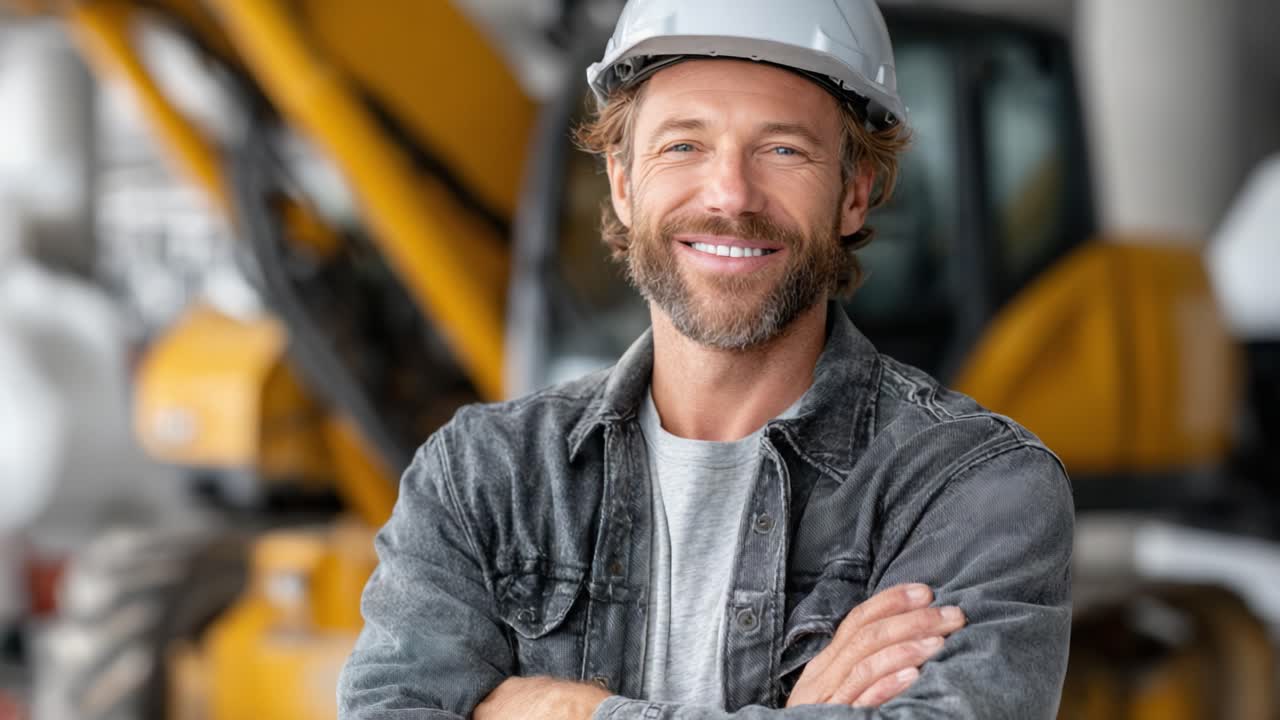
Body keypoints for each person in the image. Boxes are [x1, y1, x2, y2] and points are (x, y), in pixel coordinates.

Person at [337, 1, 1073, 718]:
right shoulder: (482, 476)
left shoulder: (968, 487)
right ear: (624, 185)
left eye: (783, 149)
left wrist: (568, 711)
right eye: (683, 145)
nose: (729, 195)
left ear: (854, 194)